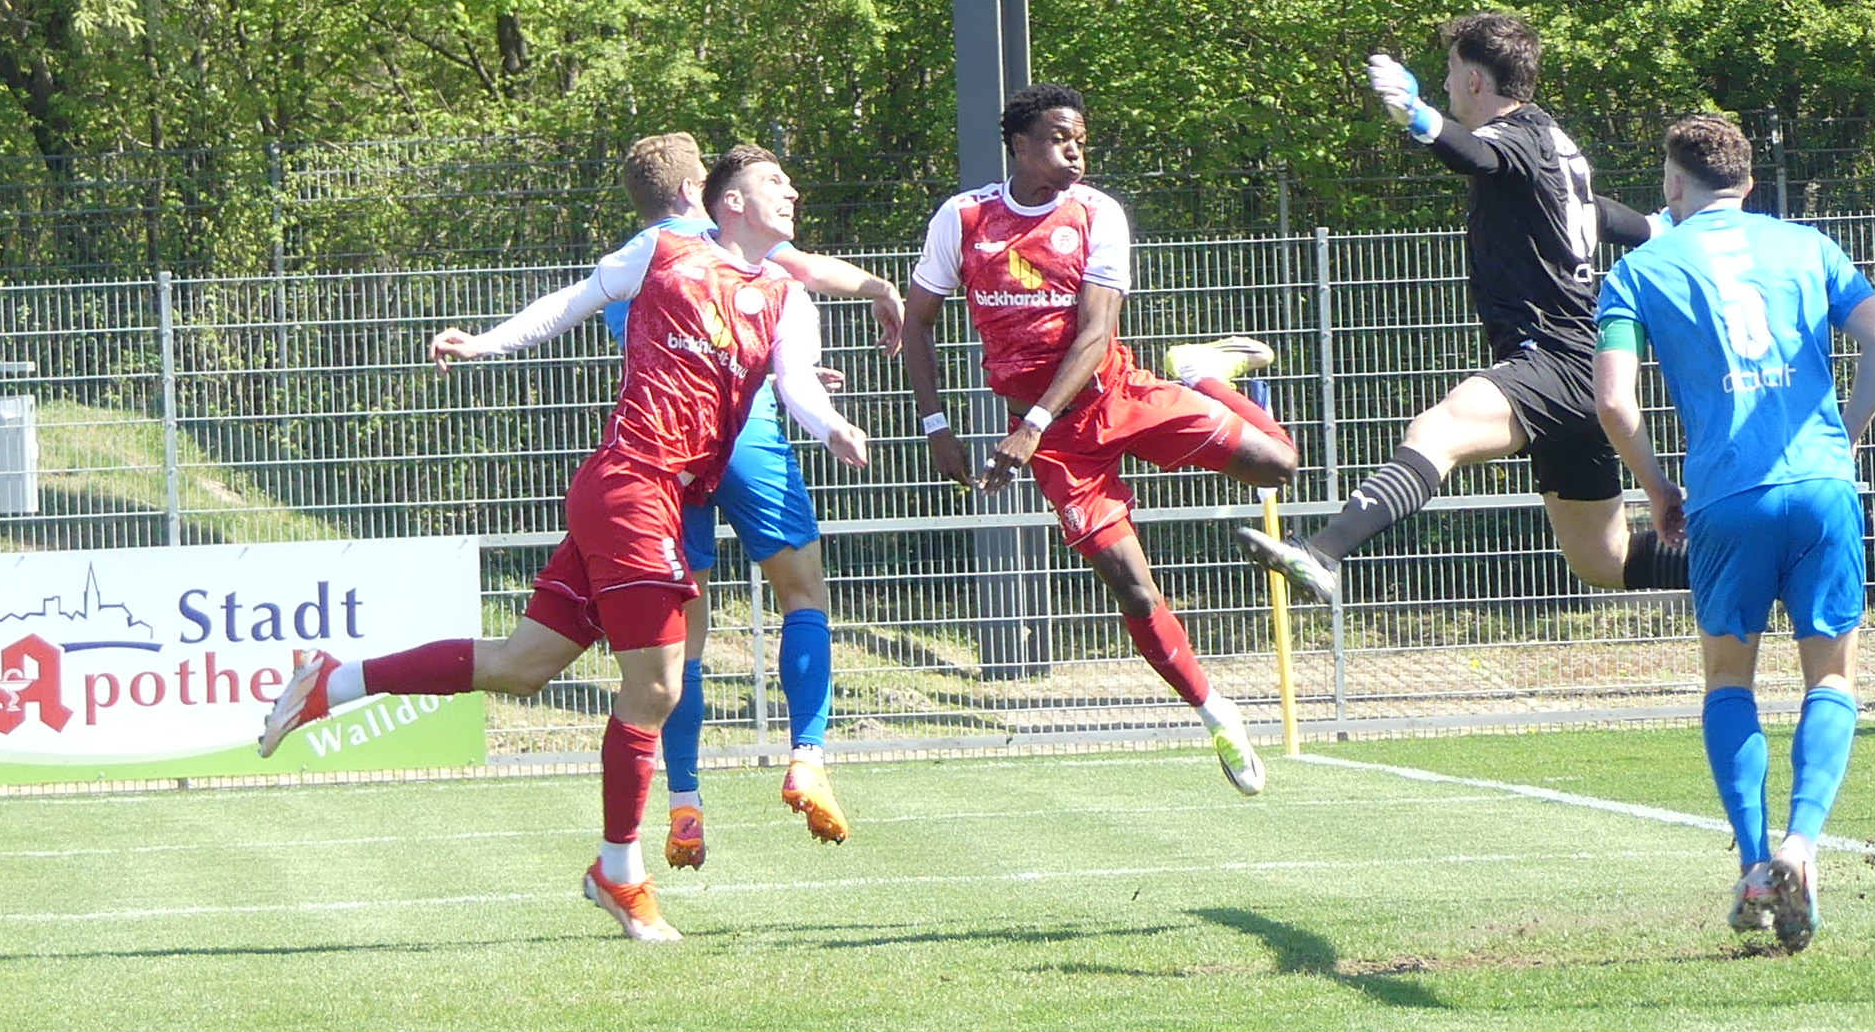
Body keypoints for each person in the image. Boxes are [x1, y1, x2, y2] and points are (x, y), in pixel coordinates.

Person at [256, 146, 870, 942]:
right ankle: (620, 873)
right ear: (727, 202)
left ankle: (333, 685)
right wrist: (484, 343)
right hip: (632, 485)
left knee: (521, 666)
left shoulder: (786, 296)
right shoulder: (666, 250)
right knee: (656, 688)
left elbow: (795, 382)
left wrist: (832, 428)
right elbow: (570, 303)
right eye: (772, 182)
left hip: (642, 495)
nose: (790, 189)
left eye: (790, 178)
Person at [897, 85, 1296, 795]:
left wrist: (1030, 426)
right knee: (1134, 591)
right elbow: (917, 321)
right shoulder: (964, 218)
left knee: (1277, 464)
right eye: (1058, 137)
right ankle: (1216, 714)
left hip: (1116, 393)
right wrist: (935, 426)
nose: (1074, 149)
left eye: (1080, 137)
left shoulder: (1097, 213)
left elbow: (1093, 335)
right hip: (1058, 443)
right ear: (1019, 145)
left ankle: (1201, 374)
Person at [1592, 112, 1875, 954]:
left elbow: (1615, 403)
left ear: (1671, 185)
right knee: (1832, 677)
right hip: (1821, 486)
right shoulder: (1809, 246)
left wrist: (1658, 486)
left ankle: (1756, 859)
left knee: (1728, 677)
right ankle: (1803, 848)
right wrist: (1844, 432)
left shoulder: (1638, 271)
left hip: (1725, 500)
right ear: (1750, 185)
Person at [1244, 12, 1680, 608]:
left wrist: (1419, 118)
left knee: (1436, 430)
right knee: (1603, 562)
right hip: (1580, 364)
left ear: (1475, 81)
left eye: (1450, 73)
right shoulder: (1551, 143)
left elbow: (1476, 155)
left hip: (1555, 357)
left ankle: (1321, 553)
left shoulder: (1517, 138)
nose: (1445, 84)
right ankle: (1751, 561)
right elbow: (1590, 210)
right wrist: (1657, 227)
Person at [595, 132, 904, 863]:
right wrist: (877, 288)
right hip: (745, 436)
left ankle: (685, 801)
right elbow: (795, 272)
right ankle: (807, 756)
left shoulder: (629, 265)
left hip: (668, 454)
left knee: (686, 642)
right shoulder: (707, 236)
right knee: (803, 595)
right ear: (690, 196)